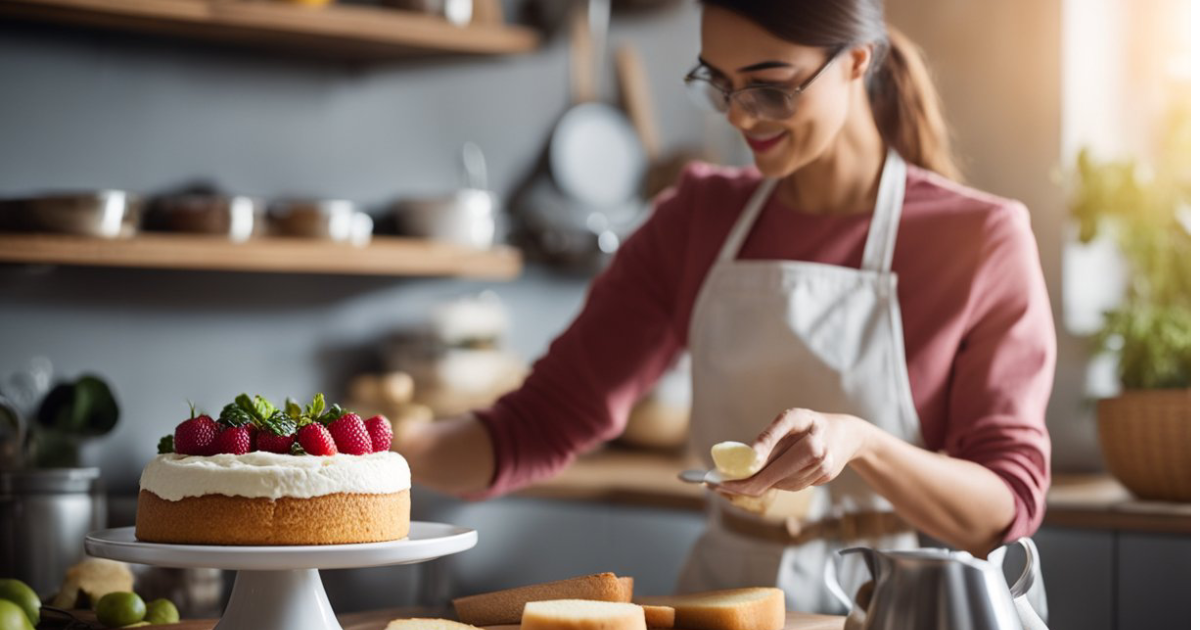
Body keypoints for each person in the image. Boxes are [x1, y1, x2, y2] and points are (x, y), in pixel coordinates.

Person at [397, 0, 1055, 614]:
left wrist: (861, 444)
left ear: (857, 61)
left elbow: (1005, 508)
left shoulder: (979, 238)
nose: (739, 116)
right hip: (729, 600)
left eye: (770, 86)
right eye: (720, 82)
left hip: (902, 607)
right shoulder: (694, 220)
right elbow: (536, 425)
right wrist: (380, 452)